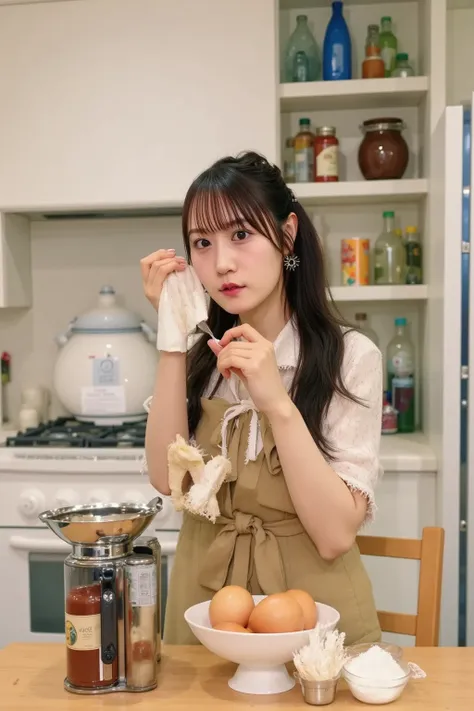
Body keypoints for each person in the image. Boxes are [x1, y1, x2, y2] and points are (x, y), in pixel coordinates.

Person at [141, 151, 382, 646]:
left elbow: (336, 535)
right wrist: (172, 334)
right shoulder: (199, 360)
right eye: (202, 243)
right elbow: (167, 478)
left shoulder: (350, 358)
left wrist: (276, 403)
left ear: (287, 235)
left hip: (315, 618)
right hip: (204, 610)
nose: (222, 262)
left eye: (242, 235)